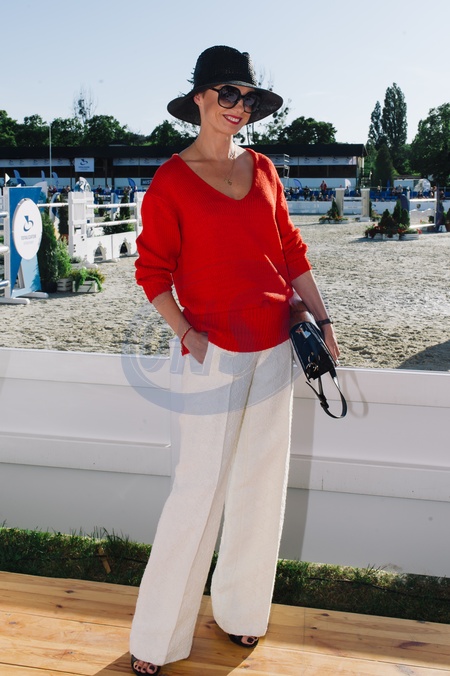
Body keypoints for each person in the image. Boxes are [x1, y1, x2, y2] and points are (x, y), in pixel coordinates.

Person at [129, 45, 340, 676]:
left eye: (247, 97)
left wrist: (324, 320)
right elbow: (152, 272)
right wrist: (187, 334)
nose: (239, 107)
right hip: (211, 356)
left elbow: (291, 251)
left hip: (276, 348)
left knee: (260, 488)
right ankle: (156, 639)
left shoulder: (265, 169)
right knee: (196, 494)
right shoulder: (171, 181)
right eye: (228, 94)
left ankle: (242, 613)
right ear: (199, 98)